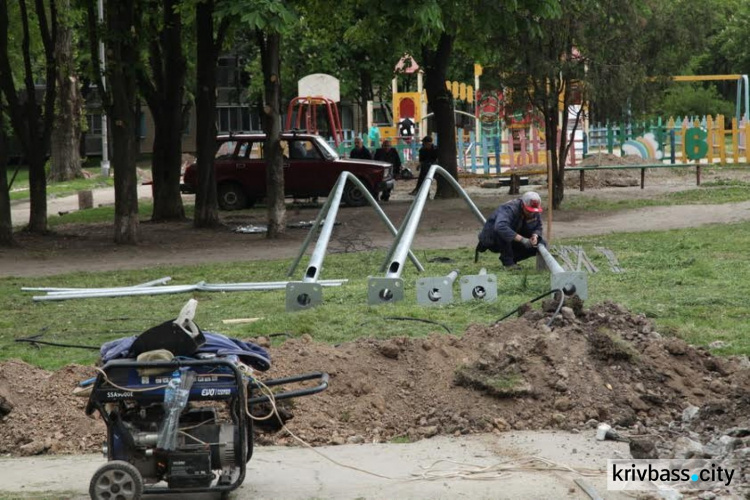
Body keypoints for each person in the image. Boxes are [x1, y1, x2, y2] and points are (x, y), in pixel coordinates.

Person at [476, 191, 545, 269]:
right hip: (493, 239)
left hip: (514, 237)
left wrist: (535, 235)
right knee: (503, 232)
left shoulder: (535, 211)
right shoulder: (509, 208)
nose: (531, 213)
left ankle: (513, 258)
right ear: (522, 205)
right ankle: (508, 263)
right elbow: (500, 227)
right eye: (529, 211)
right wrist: (522, 239)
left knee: (541, 243)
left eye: (533, 211)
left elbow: (538, 227)